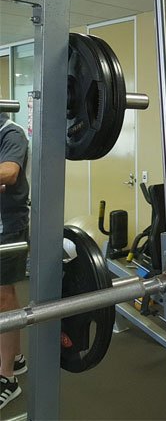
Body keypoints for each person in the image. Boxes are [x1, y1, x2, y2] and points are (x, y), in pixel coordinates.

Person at [0, 112, 29, 410]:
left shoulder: (12, 133)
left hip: (9, 228)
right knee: (4, 295)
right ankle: (16, 358)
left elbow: (9, 173)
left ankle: (7, 378)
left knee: (2, 296)